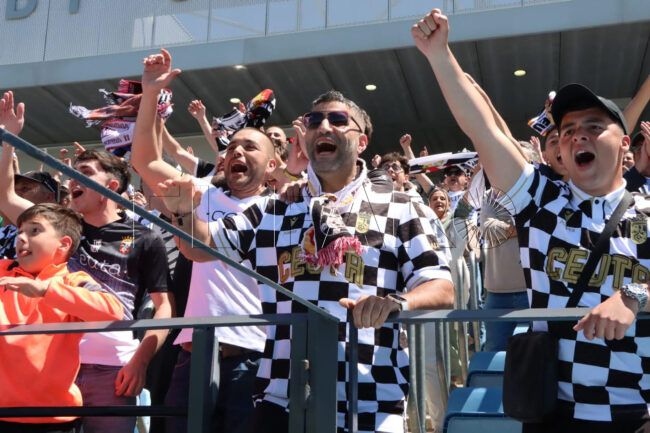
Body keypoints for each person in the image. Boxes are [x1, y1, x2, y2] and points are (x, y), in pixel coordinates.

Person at [145, 48, 454, 433]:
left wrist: (394, 303)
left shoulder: (403, 206)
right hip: (283, 394)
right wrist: (184, 213)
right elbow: (200, 247)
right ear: (304, 138)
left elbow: (441, 286)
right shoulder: (274, 208)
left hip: (371, 395)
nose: (324, 126)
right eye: (313, 120)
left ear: (362, 142)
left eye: (338, 120)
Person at [413, 8, 650, 431]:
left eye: (595, 126)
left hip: (637, 412)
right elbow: (484, 131)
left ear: (625, 144)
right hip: (552, 412)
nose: (578, 135)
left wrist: (634, 296)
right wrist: (439, 56)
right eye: (568, 129)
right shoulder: (541, 201)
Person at [0, 92, 173, 433]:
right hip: (55, 363)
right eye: (70, 173)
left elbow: (164, 307)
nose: (70, 180)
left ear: (112, 185)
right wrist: (9, 139)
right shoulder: (59, 227)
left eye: (84, 173)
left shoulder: (144, 236)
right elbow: (6, 197)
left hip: (113, 368)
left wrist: (140, 361)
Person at [130, 48, 268, 433]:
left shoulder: (281, 208)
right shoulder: (202, 193)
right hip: (193, 353)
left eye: (250, 147)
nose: (237, 151)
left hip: (253, 354)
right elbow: (145, 160)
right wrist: (150, 93)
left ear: (273, 165)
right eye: (232, 147)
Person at [0, 203, 123, 433]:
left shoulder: (73, 281)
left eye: (34, 231)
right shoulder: (2, 271)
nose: (21, 238)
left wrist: (45, 291)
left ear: (64, 244)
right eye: (20, 232)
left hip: (54, 419)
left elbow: (114, 310)